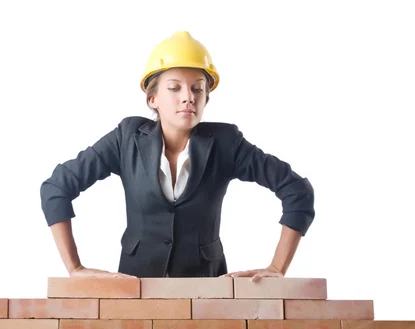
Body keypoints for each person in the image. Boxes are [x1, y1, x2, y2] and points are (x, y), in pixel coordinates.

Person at [40, 31, 315, 281]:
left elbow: (297, 191)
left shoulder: (226, 143)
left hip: (206, 291)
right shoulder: (126, 138)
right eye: (174, 88)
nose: (189, 97)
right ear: (153, 99)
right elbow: (56, 189)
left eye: (198, 88)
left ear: (206, 98)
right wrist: (75, 269)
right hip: (136, 291)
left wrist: (277, 268)